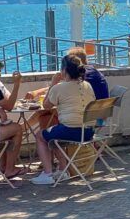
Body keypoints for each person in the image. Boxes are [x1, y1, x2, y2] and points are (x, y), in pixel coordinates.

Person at [31, 54, 96, 186]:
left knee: (40, 135)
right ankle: (62, 170)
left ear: (64, 70)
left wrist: (53, 84)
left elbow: (46, 105)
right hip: (88, 132)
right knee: (55, 134)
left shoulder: (59, 88)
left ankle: (47, 173)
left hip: (71, 131)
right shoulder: (87, 85)